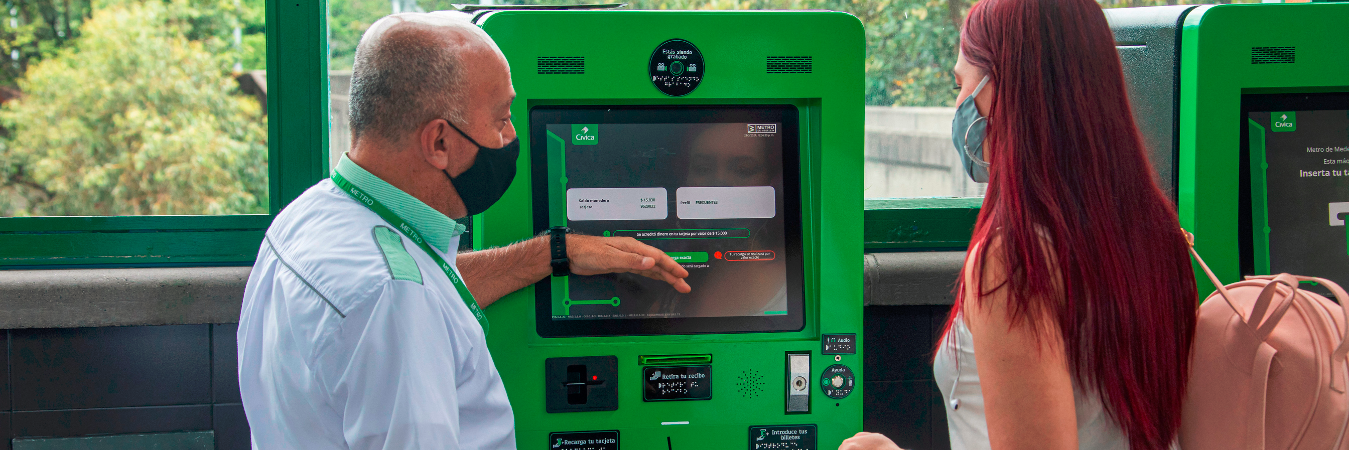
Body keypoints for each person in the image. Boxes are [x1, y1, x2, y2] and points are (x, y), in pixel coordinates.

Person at [236, 12, 691, 449]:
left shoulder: (309, 218)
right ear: (438, 141)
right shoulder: (394, 300)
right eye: (500, 119)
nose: (512, 135)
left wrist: (555, 251)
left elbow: (419, 287)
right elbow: (400, 301)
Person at [840, 0, 1197, 449]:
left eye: (961, 83)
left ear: (1003, 89)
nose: (960, 103)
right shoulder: (1158, 236)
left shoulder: (1015, 259)